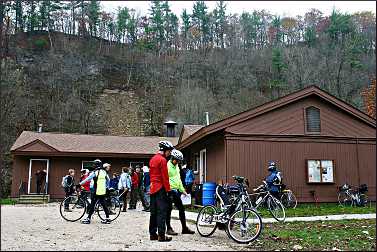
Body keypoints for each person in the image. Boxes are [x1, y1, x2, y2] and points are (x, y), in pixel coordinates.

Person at [149, 140, 174, 242]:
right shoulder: (163, 160)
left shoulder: (153, 159)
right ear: (165, 150)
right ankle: (161, 236)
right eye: (169, 151)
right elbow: (165, 177)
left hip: (152, 188)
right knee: (161, 212)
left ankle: (152, 234)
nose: (170, 153)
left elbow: (151, 175)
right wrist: (168, 190)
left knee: (153, 212)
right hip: (160, 189)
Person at [165, 149, 195, 236]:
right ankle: (168, 228)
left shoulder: (177, 167)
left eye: (179, 161)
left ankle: (184, 228)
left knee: (181, 208)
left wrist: (183, 190)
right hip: (169, 190)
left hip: (176, 191)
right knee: (169, 209)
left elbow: (178, 180)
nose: (178, 162)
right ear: (172, 158)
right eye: (177, 160)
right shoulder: (167, 166)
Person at [80, 159, 111, 224]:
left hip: (96, 191)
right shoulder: (104, 172)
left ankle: (88, 219)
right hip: (102, 191)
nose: (93, 165)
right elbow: (108, 180)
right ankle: (108, 218)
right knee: (104, 205)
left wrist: (79, 184)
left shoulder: (95, 172)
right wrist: (106, 187)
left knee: (92, 205)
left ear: (96, 165)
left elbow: (87, 179)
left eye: (94, 164)